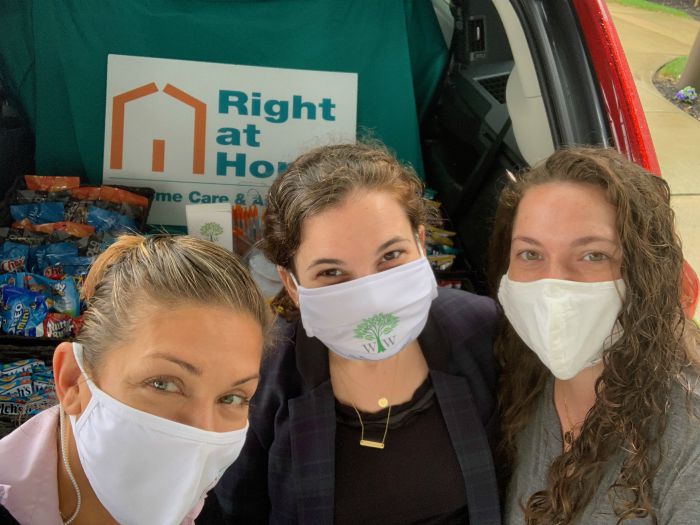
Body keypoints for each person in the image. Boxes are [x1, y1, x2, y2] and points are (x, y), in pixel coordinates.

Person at [209, 143, 501, 524]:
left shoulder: (481, 331)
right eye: (332, 272)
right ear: (292, 284)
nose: (373, 295)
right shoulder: (262, 381)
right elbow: (233, 513)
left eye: (391, 256)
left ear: (421, 242)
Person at [490, 147, 700, 524]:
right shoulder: (523, 384)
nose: (554, 283)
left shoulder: (688, 431)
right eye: (530, 254)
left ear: (644, 271)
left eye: (592, 255)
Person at [0, 234, 271, 525]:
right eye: (163, 384)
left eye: (231, 398)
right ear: (72, 380)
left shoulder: (208, 511)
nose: (202, 432)